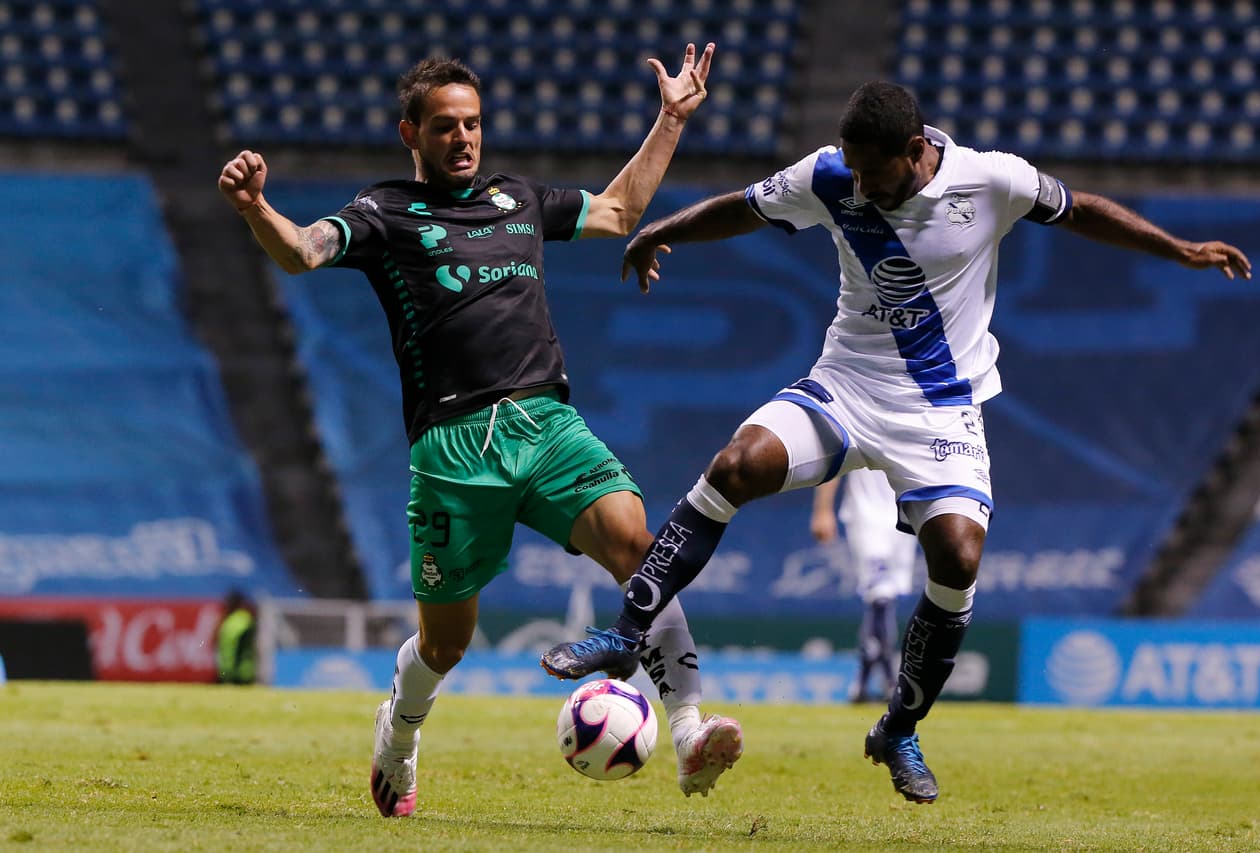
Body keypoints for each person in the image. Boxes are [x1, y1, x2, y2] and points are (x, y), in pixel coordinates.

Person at [541, 80, 1252, 804]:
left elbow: (1083, 211)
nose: (858, 185)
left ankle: (899, 728)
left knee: (957, 556)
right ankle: (627, 633)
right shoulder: (830, 173)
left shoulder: (991, 178)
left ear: (915, 151)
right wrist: (663, 229)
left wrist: (1180, 249)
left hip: (941, 411)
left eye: (872, 173)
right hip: (846, 382)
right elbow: (744, 206)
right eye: (851, 168)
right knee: (738, 463)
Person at [218, 45, 744, 818]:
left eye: (473, 124)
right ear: (412, 134)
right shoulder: (384, 213)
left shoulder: (519, 198)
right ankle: (398, 732)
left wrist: (670, 119)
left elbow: (619, 211)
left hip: (546, 421)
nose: (463, 138)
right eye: (445, 127)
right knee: (445, 643)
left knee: (639, 547)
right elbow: (302, 251)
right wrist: (256, 207)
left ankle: (691, 732)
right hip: (454, 448)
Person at [810, 468, 917, 703]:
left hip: (905, 518)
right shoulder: (859, 429)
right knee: (880, 599)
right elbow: (835, 462)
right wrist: (822, 510)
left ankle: (863, 683)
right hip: (867, 516)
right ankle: (890, 681)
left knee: (885, 598)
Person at [215, 589, 256, 685]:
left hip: (239, 673)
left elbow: (241, 647)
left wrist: (233, 671)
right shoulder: (232, 618)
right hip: (229, 671)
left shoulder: (242, 619)